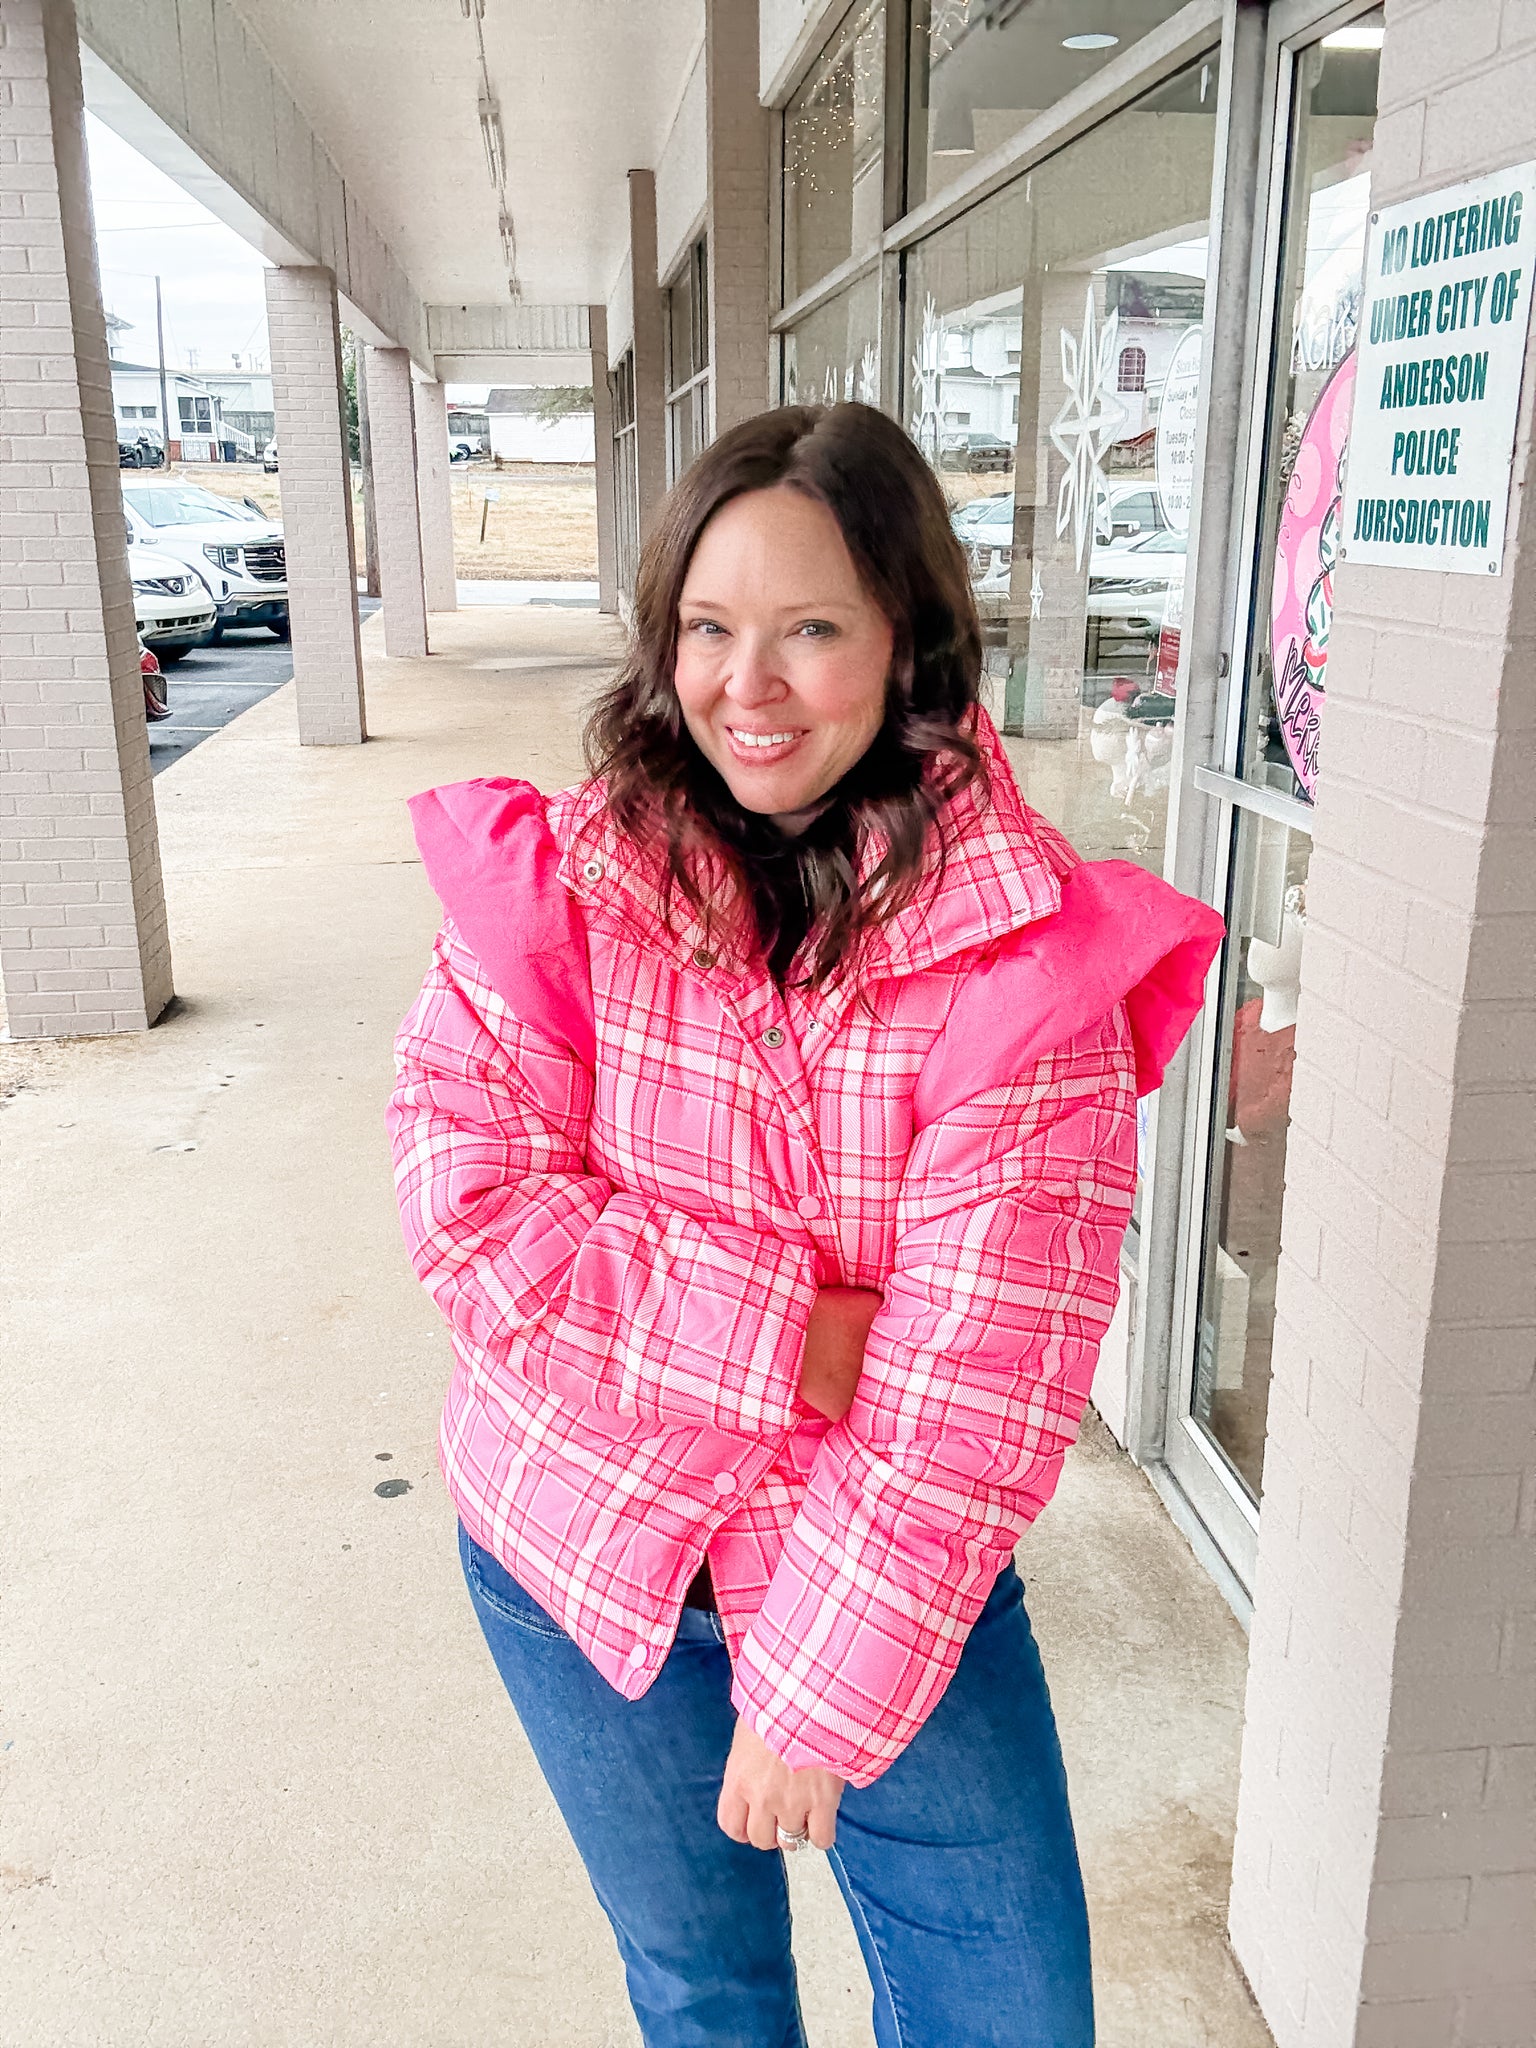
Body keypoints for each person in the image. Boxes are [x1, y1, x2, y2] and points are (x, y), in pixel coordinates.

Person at [387, 403, 1222, 2048]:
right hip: (574, 1555)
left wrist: (816, 1701)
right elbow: (474, 1209)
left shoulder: (1020, 962)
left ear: (908, 639)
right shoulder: (571, 883)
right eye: (709, 628)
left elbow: (976, 1388)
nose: (747, 687)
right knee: (704, 1996)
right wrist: (802, 1336)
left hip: (887, 1580)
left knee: (1011, 2019)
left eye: (812, 630)